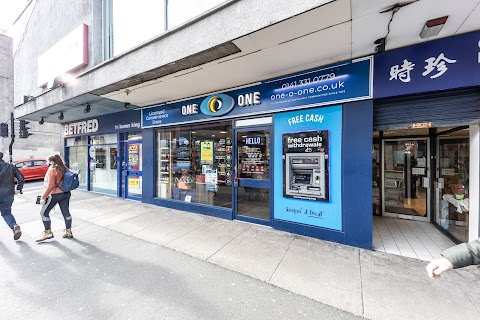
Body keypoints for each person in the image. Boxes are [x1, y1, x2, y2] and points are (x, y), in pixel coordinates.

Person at [36, 154, 73, 242]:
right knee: (66, 212)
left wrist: (43, 197)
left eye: (48, 161)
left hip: (55, 194)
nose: (47, 163)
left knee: (43, 213)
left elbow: (50, 185)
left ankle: (47, 232)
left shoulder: (52, 170)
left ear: (52, 161)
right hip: (66, 193)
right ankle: (68, 231)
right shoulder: (64, 168)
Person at [0, 152, 24, 240]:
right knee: (6, 213)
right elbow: (21, 178)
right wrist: (18, 189)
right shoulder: (11, 166)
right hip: (8, 194)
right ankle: (14, 225)